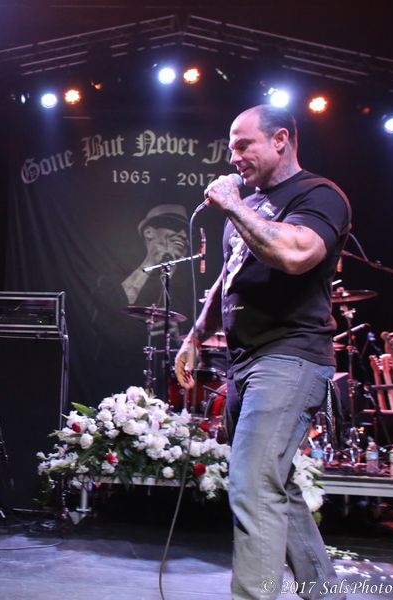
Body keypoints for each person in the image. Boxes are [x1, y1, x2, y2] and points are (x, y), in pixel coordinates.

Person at [175, 105, 350, 600]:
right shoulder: (247, 208)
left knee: (253, 485)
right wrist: (195, 336)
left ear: (280, 140)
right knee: (278, 488)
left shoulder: (318, 194)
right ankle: (325, 593)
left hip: (291, 356)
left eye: (242, 144)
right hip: (245, 363)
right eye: (231, 147)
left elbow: (296, 253)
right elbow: (227, 278)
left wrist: (234, 206)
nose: (233, 157)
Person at [120, 203, 189, 307]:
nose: (184, 235)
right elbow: (116, 301)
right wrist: (151, 262)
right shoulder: (121, 267)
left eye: (187, 231)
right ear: (149, 232)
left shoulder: (189, 285)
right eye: (175, 226)